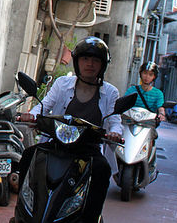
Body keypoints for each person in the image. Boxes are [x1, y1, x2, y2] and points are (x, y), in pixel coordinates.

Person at [15, 37, 121, 223]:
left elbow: (114, 120)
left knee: (102, 169)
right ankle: (23, 212)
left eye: (96, 60)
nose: (90, 64)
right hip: (56, 144)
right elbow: (44, 105)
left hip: (88, 150)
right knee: (29, 156)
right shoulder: (62, 84)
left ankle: (91, 218)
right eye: (85, 59)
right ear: (77, 61)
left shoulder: (110, 92)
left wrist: (115, 132)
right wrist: (31, 115)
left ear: (103, 65)